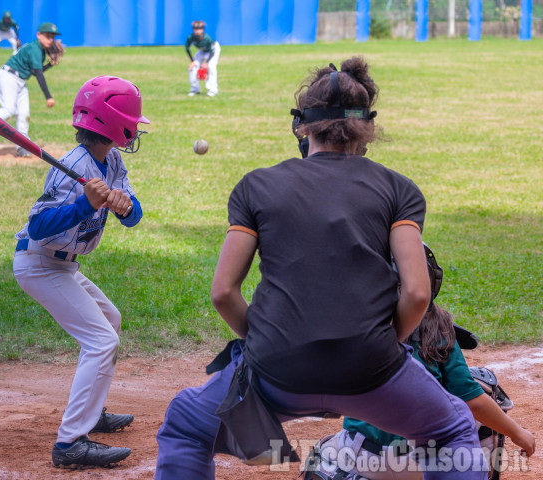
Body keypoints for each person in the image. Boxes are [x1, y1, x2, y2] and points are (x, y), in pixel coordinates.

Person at [155, 57, 488, 479]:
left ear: (301, 125)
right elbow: (418, 292)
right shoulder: (399, 188)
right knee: (453, 430)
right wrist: (386, 347)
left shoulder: (256, 185)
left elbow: (223, 292)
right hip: (373, 370)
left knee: (187, 424)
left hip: (278, 368)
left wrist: (263, 341)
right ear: (367, 128)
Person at [12, 75, 149, 468]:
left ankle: (94, 412)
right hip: (38, 264)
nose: (135, 128)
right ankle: (70, 443)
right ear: (114, 124)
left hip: (63, 265)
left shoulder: (112, 161)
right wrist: (85, 206)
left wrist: (124, 205)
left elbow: (133, 216)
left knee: (110, 319)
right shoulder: (69, 168)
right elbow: (38, 227)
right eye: (131, 121)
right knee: (102, 340)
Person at [309, 246, 535, 480]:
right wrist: (519, 433)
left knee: (321, 453)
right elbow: (473, 401)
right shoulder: (439, 328)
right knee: (482, 393)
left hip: (365, 459)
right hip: (425, 465)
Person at [0, 22, 65, 157]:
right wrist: (48, 96)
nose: (51, 39)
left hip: (19, 79)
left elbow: (35, 70)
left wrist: (50, 64)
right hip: (9, 76)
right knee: (8, 109)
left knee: (24, 113)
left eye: (52, 37)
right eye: (48, 36)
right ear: (38, 35)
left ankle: (23, 146)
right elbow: (38, 74)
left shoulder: (40, 50)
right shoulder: (35, 49)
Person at [185, 20, 221, 97]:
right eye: (195, 28)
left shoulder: (207, 38)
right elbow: (187, 48)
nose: (198, 31)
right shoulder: (191, 37)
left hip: (214, 50)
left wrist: (206, 62)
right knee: (192, 67)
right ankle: (195, 89)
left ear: (203, 29)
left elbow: (212, 51)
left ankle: (213, 90)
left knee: (211, 66)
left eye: (200, 28)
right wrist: (192, 61)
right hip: (202, 50)